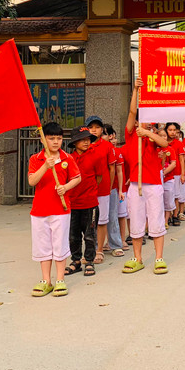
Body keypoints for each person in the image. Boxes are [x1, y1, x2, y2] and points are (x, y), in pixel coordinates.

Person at [121, 79, 170, 275]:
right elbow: (132, 112)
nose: (146, 122)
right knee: (137, 221)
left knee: (156, 221)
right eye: (144, 118)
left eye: (150, 120)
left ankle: (159, 258)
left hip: (154, 185)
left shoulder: (154, 137)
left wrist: (148, 134)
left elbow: (165, 145)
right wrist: (135, 89)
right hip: (135, 185)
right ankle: (138, 258)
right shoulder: (131, 134)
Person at [27, 121, 81, 297]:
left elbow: (77, 178)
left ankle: (59, 280)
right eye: (51, 138)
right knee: (43, 245)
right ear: (44, 140)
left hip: (61, 209)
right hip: (40, 210)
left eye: (59, 138)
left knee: (59, 244)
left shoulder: (67, 158)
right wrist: (45, 166)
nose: (56, 142)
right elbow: (32, 181)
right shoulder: (36, 159)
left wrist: (65, 188)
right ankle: (45, 280)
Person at [64, 125, 102, 277]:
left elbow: (99, 177)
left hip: (90, 203)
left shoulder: (95, 156)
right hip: (72, 203)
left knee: (89, 234)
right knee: (73, 235)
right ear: (74, 143)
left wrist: (90, 191)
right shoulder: (68, 159)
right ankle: (76, 261)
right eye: (82, 140)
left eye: (88, 139)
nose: (86, 142)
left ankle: (90, 261)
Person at [85, 115, 115, 264]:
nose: (94, 130)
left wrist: (109, 187)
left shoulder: (107, 146)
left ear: (102, 129)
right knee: (87, 222)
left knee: (102, 220)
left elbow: (112, 168)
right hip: (86, 190)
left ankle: (99, 250)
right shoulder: (82, 146)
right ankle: (88, 249)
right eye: (91, 127)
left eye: (97, 127)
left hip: (102, 189)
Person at [101, 124, 126, 258]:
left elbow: (119, 171)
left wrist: (120, 189)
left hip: (111, 189)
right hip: (96, 190)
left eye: (104, 133)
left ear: (111, 136)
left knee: (112, 216)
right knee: (97, 219)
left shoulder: (114, 150)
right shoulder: (92, 148)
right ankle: (97, 246)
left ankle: (115, 245)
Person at [163, 123, 181, 226]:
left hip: (175, 174)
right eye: (170, 130)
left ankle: (175, 216)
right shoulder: (157, 147)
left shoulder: (177, 144)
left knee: (175, 196)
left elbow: (181, 160)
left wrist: (182, 174)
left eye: (174, 130)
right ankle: (166, 218)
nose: (172, 132)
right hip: (161, 178)